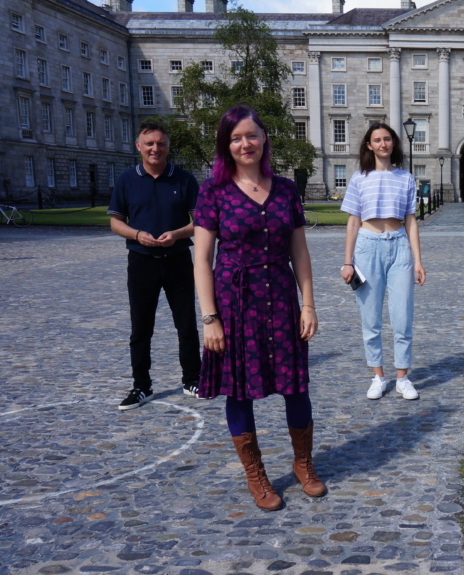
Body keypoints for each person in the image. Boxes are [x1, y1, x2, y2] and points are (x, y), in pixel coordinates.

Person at [194, 105, 324, 511]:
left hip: (281, 295)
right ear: (226, 145)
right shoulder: (212, 192)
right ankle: (257, 475)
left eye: (251, 135)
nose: (244, 143)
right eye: (235, 138)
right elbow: (201, 259)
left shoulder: (286, 189)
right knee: (239, 389)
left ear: (264, 138)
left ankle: (303, 463)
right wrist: (210, 318)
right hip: (235, 301)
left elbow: (299, 251)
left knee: (296, 384)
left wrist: (308, 305)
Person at [107, 121, 201, 411]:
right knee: (141, 327)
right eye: (149, 143)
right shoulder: (126, 180)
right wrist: (137, 234)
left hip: (178, 260)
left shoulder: (184, 179)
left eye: (160, 143)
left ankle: (192, 379)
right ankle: (141, 386)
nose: (155, 148)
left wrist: (178, 233)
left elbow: (200, 222)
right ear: (138, 147)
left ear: (168, 146)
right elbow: (115, 222)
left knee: (186, 324)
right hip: (141, 261)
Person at [340, 122, 426, 401]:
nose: (383, 144)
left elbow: (411, 221)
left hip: (399, 245)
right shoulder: (359, 178)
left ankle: (403, 377)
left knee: (402, 317)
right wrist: (347, 261)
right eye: (377, 140)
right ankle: (378, 375)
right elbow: (353, 222)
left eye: (387, 139)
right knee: (371, 318)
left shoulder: (405, 178)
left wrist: (418, 260)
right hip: (367, 247)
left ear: (393, 143)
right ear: (369, 145)